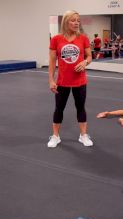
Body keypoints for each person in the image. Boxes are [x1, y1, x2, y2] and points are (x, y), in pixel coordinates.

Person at [47, 10, 93, 148]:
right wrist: (51, 80)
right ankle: (55, 136)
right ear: (66, 22)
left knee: (80, 108)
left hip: (80, 81)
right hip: (62, 81)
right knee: (59, 108)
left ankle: (83, 135)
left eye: (78, 20)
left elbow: (89, 56)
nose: (76, 23)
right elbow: (52, 60)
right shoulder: (56, 39)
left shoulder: (83, 38)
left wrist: (85, 62)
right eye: (73, 20)